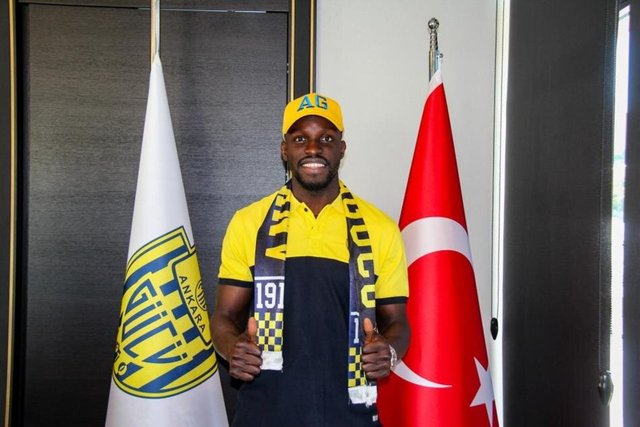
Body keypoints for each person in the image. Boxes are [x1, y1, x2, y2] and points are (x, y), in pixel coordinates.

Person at [210, 93, 410, 427]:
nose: (314, 149)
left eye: (326, 139)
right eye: (301, 139)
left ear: (341, 149)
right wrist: (233, 349)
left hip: (350, 414)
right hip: (266, 412)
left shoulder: (380, 228)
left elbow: (398, 323)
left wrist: (387, 352)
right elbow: (224, 316)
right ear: (285, 149)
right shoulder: (248, 222)